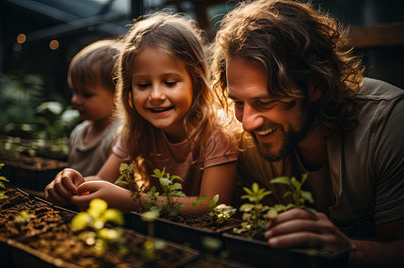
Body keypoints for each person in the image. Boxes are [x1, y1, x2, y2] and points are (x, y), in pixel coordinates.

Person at [212, 0, 403, 266]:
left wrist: (348, 250)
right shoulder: (243, 143)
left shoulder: (389, 123)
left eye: (264, 102)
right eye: (239, 103)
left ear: (315, 86)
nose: (248, 123)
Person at [45, 12, 239, 214]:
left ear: (196, 80)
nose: (155, 95)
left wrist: (134, 201)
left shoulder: (217, 132)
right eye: (143, 85)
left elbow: (214, 205)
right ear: (129, 89)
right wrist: (73, 182)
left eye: (170, 83)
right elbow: (103, 179)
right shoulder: (136, 130)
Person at [66, 39, 122, 176]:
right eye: (74, 91)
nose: (75, 100)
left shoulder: (118, 136)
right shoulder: (78, 133)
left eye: (86, 94)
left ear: (118, 94)